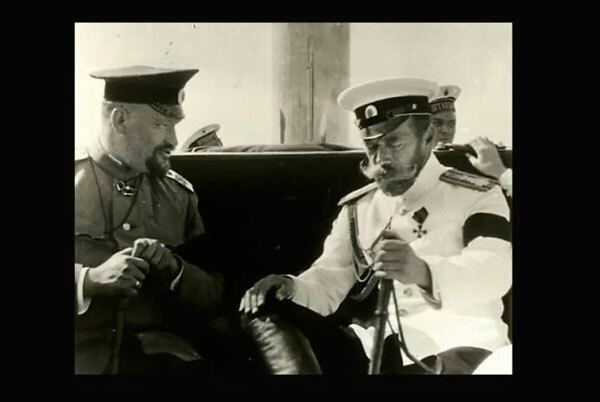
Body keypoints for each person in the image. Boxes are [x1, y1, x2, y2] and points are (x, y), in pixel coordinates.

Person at [240, 78, 512, 374]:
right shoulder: (359, 208)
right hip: (379, 352)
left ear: (428, 136)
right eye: (372, 146)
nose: (381, 158)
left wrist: (423, 271)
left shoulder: (476, 194)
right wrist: (292, 286)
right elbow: (329, 278)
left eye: (394, 143)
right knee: (267, 310)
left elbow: (496, 268)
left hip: (462, 350)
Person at [75, 66, 230, 374]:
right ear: (120, 120)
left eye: (174, 126)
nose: (173, 139)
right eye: (161, 125)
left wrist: (175, 269)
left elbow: (214, 297)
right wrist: (89, 280)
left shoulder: (179, 196)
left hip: (160, 363)